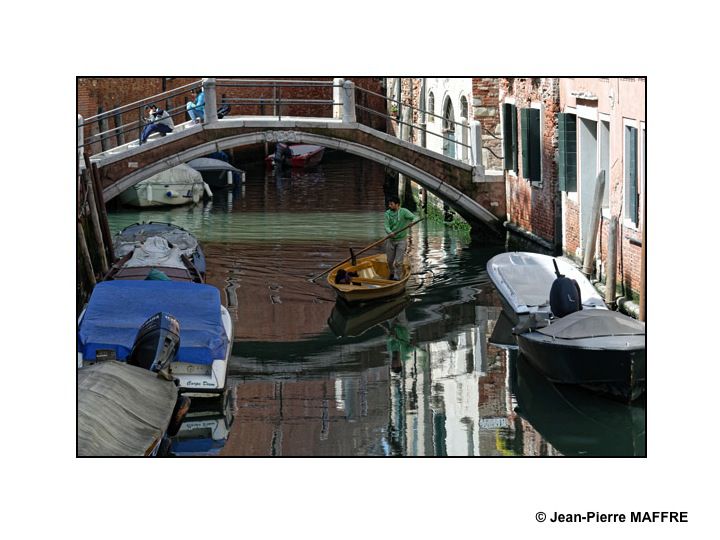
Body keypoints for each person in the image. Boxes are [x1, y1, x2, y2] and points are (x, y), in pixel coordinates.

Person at [384, 195, 416, 280]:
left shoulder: (404, 212)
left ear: (397, 204)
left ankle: (397, 277)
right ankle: (391, 272)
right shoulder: (387, 214)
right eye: (389, 204)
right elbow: (386, 226)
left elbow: (415, 217)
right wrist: (390, 232)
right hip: (390, 240)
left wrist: (412, 222)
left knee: (398, 262)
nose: (389, 206)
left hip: (401, 241)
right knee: (389, 261)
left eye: (391, 204)